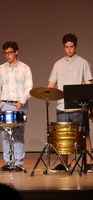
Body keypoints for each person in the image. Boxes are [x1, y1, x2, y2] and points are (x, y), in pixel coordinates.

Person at [47, 33, 93, 172]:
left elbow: (88, 83)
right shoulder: (58, 64)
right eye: (66, 47)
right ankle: (63, 164)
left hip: (79, 107)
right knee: (63, 136)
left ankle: (89, 163)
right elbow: (51, 84)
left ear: (76, 46)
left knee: (85, 134)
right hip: (62, 106)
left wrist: (89, 105)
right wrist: (47, 92)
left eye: (71, 46)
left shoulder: (83, 62)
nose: (69, 49)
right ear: (63, 47)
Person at [0, 41, 33, 171]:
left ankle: (18, 162)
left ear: (16, 52)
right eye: (5, 53)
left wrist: (22, 100)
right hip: (5, 104)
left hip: (19, 105)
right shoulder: (0, 69)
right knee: (5, 135)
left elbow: (29, 87)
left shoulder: (25, 68)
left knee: (18, 134)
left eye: (10, 53)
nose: (7, 55)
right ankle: (8, 161)